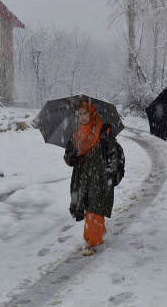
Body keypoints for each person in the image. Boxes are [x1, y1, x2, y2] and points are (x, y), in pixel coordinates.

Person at [64, 100, 118, 256]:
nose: (82, 117)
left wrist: (110, 172)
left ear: (92, 113)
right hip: (82, 179)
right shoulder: (75, 135)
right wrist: (72, 156)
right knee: (89, 208)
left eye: (85, 113)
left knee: (95, 207)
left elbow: (112, 152)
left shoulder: (103, 130)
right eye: (80, 114)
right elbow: (68, 158)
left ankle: (92, 243)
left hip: (100, 177)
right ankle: (98, 230)